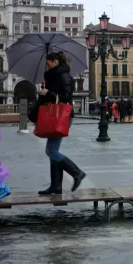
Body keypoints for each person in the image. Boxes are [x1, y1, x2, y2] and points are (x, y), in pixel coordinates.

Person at [37, 52, 86, 194]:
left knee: (51, 151)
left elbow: (65, 97)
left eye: (48, 63)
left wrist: (48, 93)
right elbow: (54, 94)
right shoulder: (54, 76)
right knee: (53, 151)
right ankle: (56, 186)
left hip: (62, 115)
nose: (47, 66)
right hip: (55, 115)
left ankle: (77, 173)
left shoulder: (64, 76)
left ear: (55, 62)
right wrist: (45, 88)